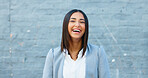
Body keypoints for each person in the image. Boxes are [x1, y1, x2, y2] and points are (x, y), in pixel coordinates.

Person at [42, 9, 110, 78]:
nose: (77, 25)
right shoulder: (53, 55)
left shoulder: (98, 53)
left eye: (82, 22)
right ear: (66, 25)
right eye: (72, 21)